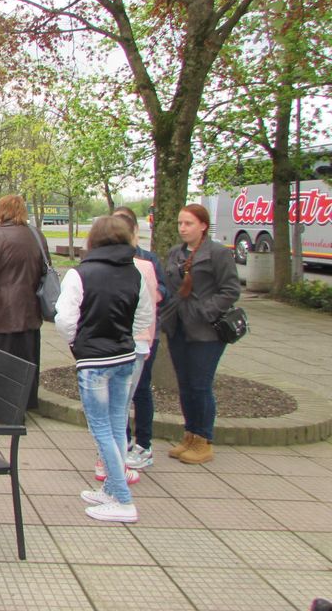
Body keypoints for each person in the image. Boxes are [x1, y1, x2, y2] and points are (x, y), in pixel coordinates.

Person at [54, 216, 153, 523]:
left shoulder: (80, 274)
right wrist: (123, 337)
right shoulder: (135, 273)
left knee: (101, 429)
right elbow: (144, 316)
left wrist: (78, 343)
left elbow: (64, 319)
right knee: (117, 425)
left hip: (94, 361)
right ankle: (112, 488)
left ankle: (122, 499)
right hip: (124, 356)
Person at [161, 203, 240, 465]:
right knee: (184, 384)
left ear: (203, 226)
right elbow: (169, 287)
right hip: (178, 327)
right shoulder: (175, 253)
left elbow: (231, 290)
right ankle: (190, 434)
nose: (183, 228)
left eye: (189, 223)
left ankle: (204, 440)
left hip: (206, 332)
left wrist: (206, 311)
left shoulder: (218, 253)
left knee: (200, 384)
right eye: (180, 223)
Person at [0, 194, 49, 409]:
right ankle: (26, 402)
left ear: (1, 211)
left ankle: (1, 405)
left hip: (1, 312)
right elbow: (45, 269)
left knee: (1, 359)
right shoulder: (37, 236)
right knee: (28, 358)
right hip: (30, 310)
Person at [112, 206, 167, 470]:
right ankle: (121, 442)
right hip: (118, 336)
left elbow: (163, 290)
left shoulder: (147, 260)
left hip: (142, 337)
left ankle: (143, 444)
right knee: (118, 395)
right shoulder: (109, 258)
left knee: (141, 390)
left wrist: (146, 293)